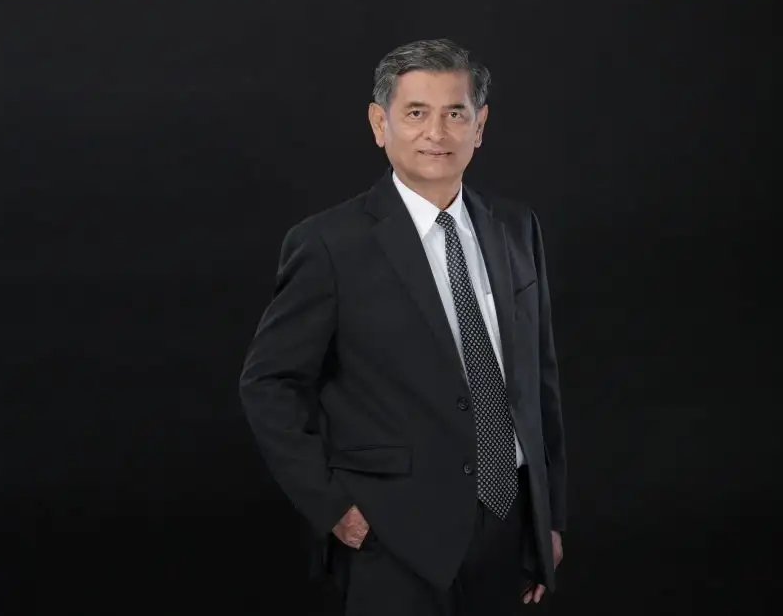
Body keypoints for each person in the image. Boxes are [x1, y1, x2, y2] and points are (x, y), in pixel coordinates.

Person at [239, 38, 566, 616]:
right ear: (379, 123)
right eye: (416, 112)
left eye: (455, 113)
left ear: (480, 126)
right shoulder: (329, 244)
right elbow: (268, 383)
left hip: (508, 528)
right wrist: (333, 507)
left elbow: (540, 385)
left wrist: (549, 519)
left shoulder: (516, 227)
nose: (436, 133)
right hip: (393, 537)